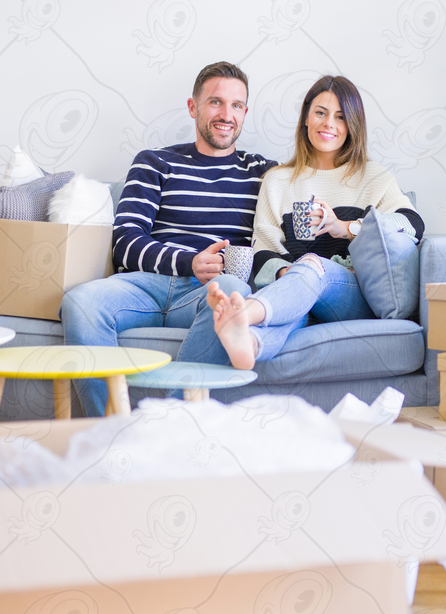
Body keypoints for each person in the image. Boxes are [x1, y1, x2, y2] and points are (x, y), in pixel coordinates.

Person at [62, 61, 276, 416]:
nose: (227, 114)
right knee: (80, 302)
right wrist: (188, 261)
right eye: (215, 102)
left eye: (237, 105)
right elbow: (125, 242)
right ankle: (110, 431)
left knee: (234, 293)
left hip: (208, 293)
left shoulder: (263, 173)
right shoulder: (155, 163)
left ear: (245, 112)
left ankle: (167, 427)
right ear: (193, 107)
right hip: (145, 286)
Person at [193, 75, 424, 369]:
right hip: (295, 289)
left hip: (350, 296)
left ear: (353, 125)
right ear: (305, 118)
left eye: (340, 117)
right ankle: (249, 342)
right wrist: (287, 273)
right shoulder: (277, 180)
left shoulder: (373, 177)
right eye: (320, 113)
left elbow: (412, 222)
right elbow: (263, 248)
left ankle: (244, 313)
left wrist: (347, 228)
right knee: (294, 307)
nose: (329, 124)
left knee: (314, 265)